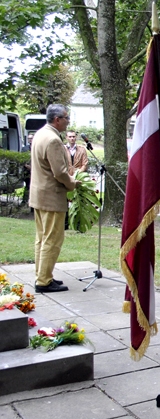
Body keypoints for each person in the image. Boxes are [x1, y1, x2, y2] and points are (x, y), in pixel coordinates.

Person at [30, 104, 79, 293]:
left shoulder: (41, 134)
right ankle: (43, 281)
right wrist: (72, 183)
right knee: (52, 240)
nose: (68, 121)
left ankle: (43, 275)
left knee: (42, 239)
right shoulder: (53, 140)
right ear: (57, 119)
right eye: (66, 118)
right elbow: (60, 172)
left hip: (39, 195)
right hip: (51, 196)